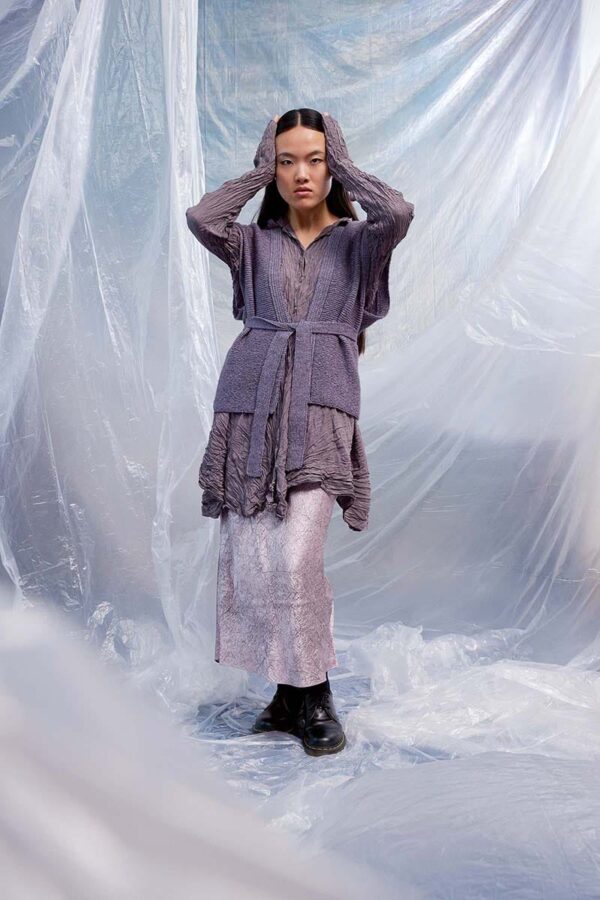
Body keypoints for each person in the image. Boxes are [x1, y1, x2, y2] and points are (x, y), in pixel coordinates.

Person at [186, 109, 414, 756]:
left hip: (322, 404)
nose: (301, 173)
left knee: (295, 559)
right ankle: (289, 695)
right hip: (249, 405)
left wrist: (344, 166)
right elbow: (202, 217)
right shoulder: (250, 244)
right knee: (257, 560)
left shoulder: (360, 242)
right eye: (287, 161)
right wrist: (259, 172)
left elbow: (397, 211)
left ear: (332, 162)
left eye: (315, 159)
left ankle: (315, 695)